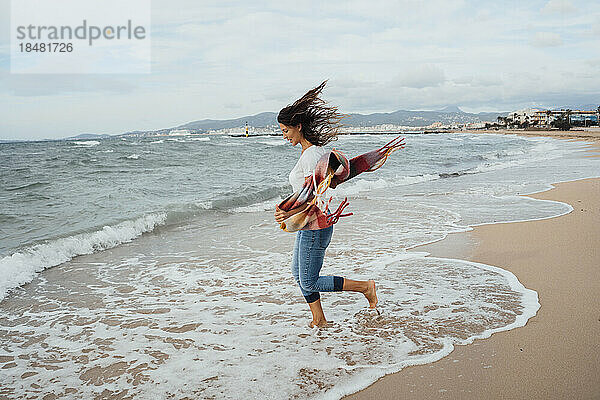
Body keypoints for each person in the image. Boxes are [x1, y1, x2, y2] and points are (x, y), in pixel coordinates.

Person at [274, 80, 378, 328]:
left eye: (286, 131)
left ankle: (365, 287)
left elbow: (314, 195)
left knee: (308, 281)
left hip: (317, 224)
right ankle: (319, 319)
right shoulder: (312, 152)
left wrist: (286, 212)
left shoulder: (312, 155)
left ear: (298, 127)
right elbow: (317, 188)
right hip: (310, 223)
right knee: (299, 275)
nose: (285, 137)